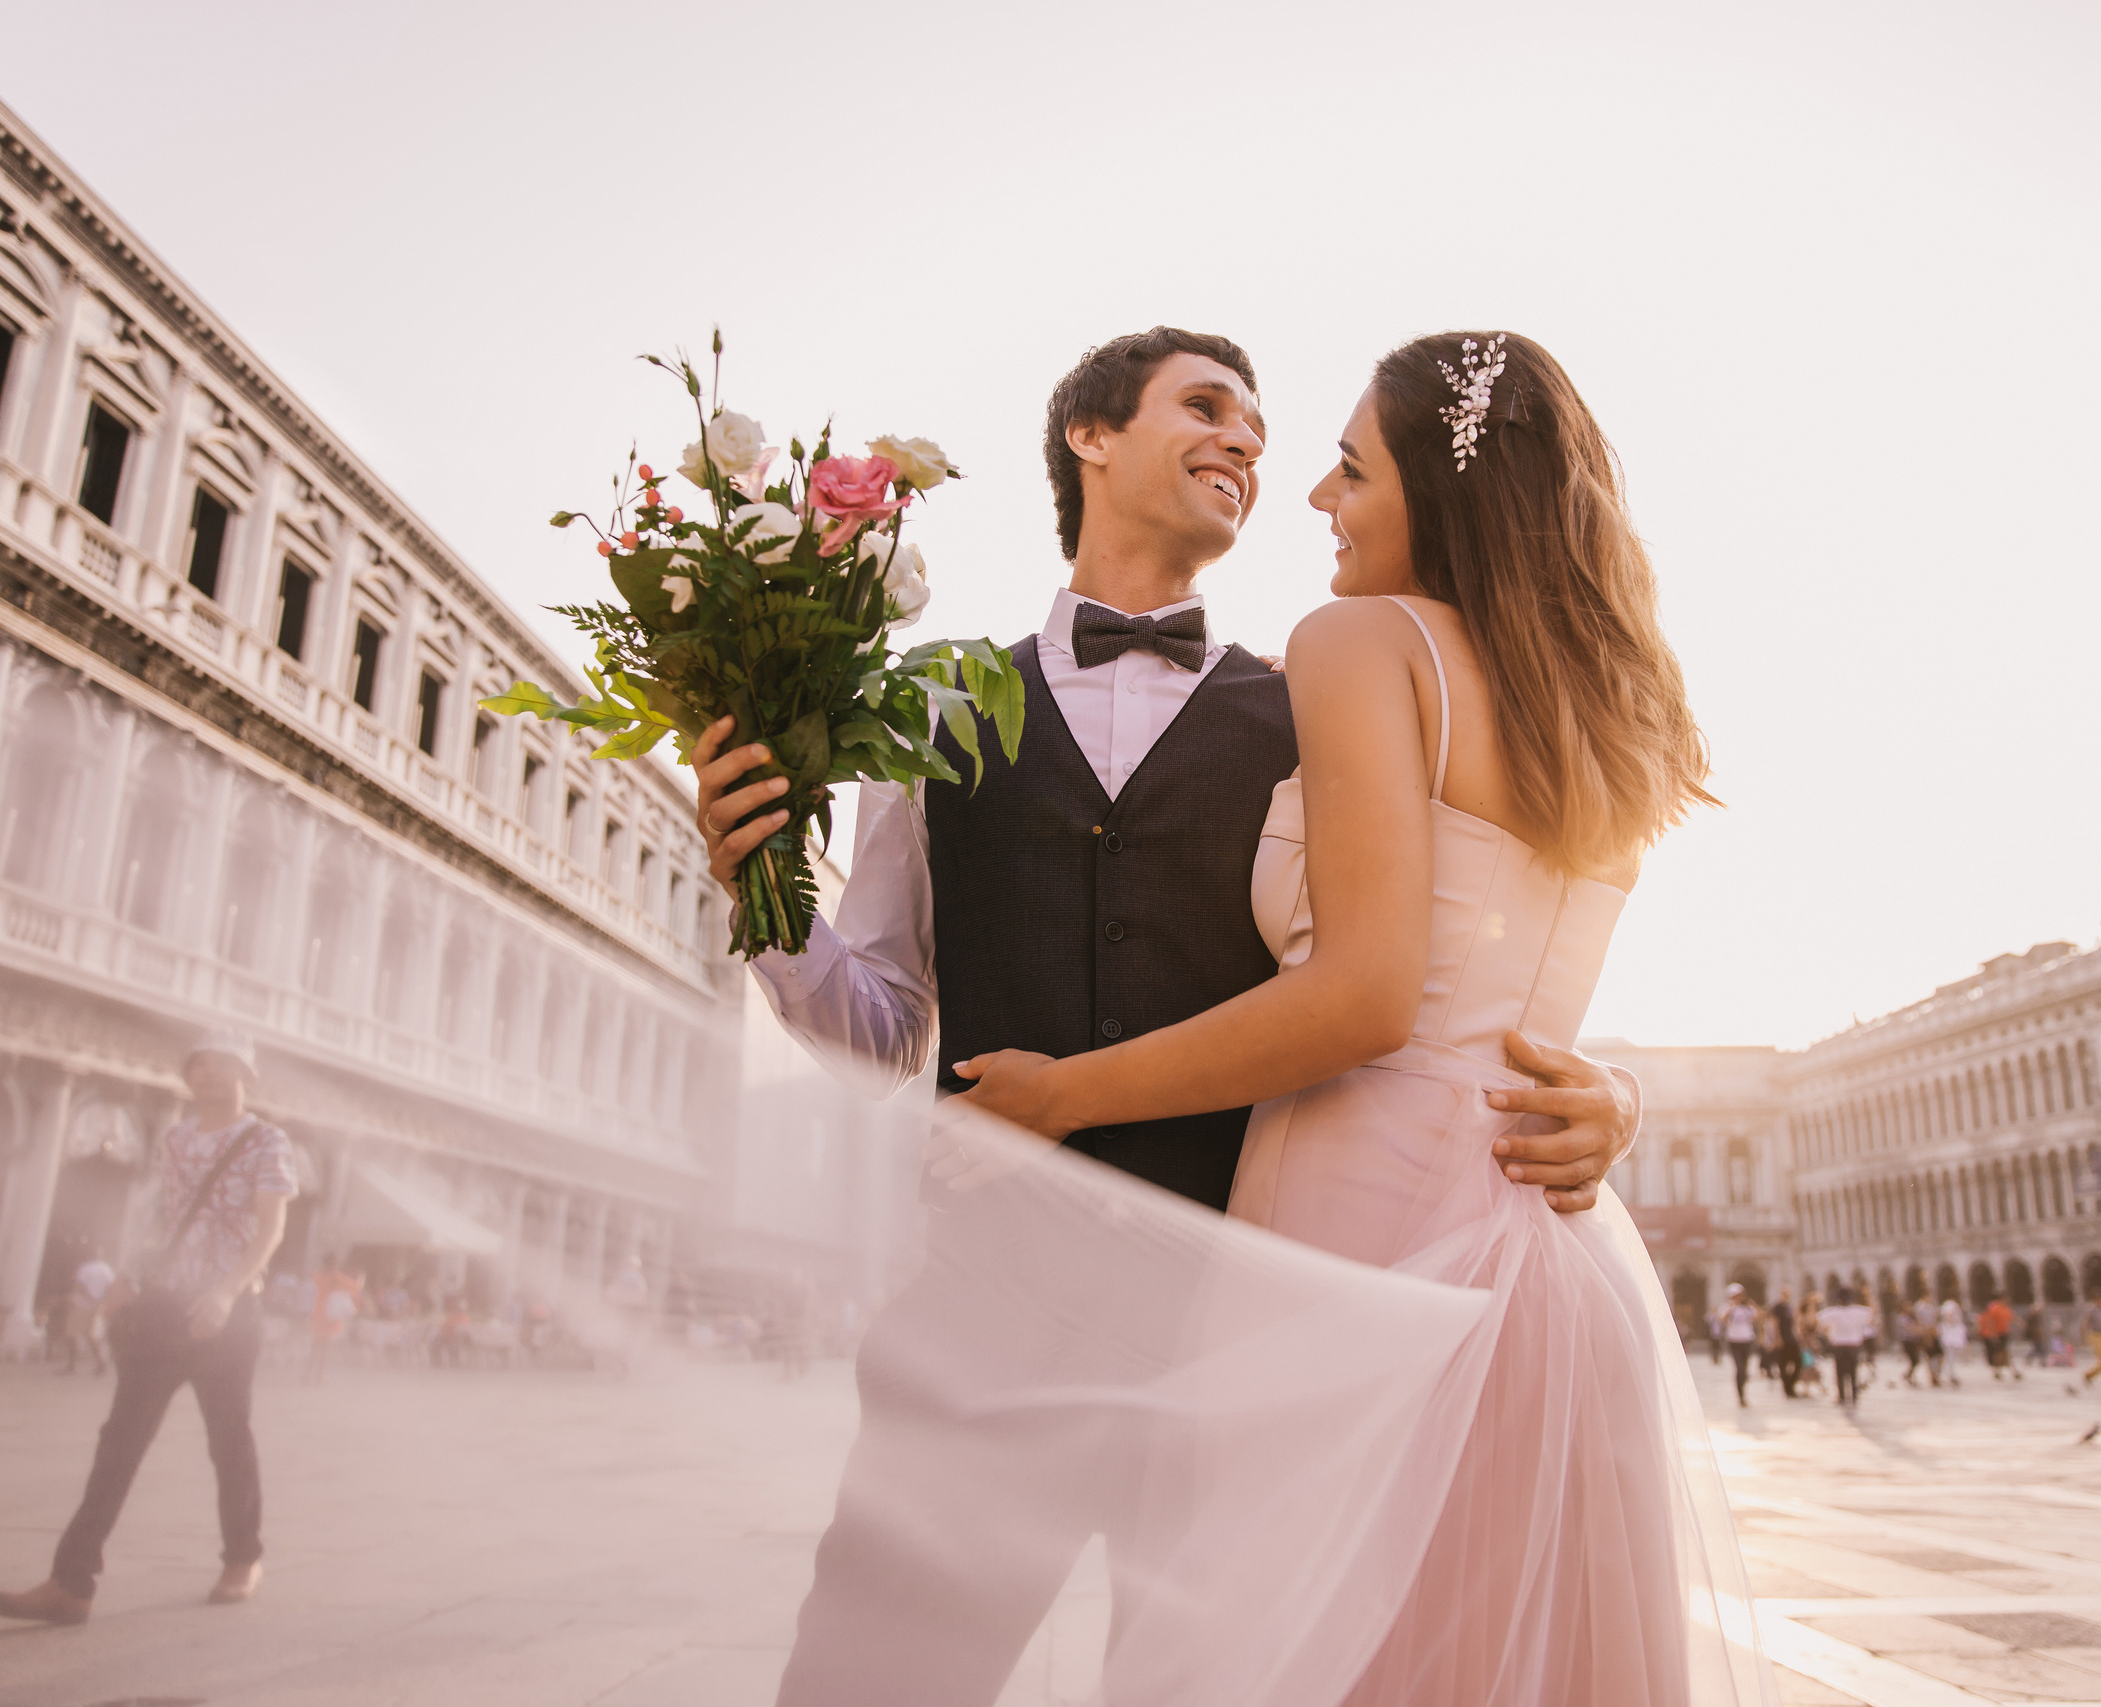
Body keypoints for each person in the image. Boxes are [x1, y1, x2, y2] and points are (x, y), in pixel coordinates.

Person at [704, 329, 1682, 1704]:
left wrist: (1612, 1090)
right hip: (987, 1320)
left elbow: (1448, 956)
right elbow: (880, 1028)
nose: (1249, 444)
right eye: (1208, 406)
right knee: (862, 1681)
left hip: (1248, 1322)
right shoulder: (926, 703)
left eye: (1272, 430)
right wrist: (763, 894)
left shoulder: (1328, 697)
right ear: (1090, 436)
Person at [957, 331, 1766, 1700]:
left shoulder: (1361, 640)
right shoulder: (1615, 703)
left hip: (1365, 1222)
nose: (1318, 499)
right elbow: (1511, 974)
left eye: (1347, 467)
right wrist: (1616, 1096)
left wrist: (1062, 1091)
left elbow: (1370, 995)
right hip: (1552, 1252)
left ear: (1438, 494)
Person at [0, 1034, 297, 1623]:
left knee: (227, 1439)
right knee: (118, 1442)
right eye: (197, 1065)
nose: (206, 1074)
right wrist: (130, 1274)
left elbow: (270, 1229)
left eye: (221, 1065)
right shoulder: (177, 1138)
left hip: (227, 1312)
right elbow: (161, 1214)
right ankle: (71, 1581)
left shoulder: (267, 1141)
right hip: (164, 1304)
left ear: (245, 1076)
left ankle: (242, 1557)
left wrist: (228, 1292)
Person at [305, 1261, 361, 1387]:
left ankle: (308, 1374)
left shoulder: (317, 1276)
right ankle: (319, 1375)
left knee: (315, 1346)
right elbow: (355, 1287)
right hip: (331, 1315)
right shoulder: (337, 1278)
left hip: (318, 1314)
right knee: (326, 1348)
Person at [60, 1250, 115, 1376]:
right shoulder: (107, 1270)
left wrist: (90, 1297)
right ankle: (101, 1363)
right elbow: (111, 1288)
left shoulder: (85, 1268)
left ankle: (72, 1365)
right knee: (91, 1335)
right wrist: (100, 1300)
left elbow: (79, 1285)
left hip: (81, 1304)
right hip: (97, 1306)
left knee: (71, 1334)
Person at [1821, 1285, 1874, 1408]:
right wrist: (1868, 1296)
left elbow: (1820, 1322)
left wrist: (1829, 1334)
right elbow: (1871, 1315)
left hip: (1839, 1345)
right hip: (1853, 1346)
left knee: (1840, 1372)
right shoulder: (1858, 1311)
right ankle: (1854, 1396)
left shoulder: (1833, 1312)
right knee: (1853, 1372)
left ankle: (1842, 1397)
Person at [1720, 1283, 1760, 1406]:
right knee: (1740, 1367)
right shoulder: (1727, 1307)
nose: (1738, 1297)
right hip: (1734, 1340)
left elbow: (1757, 1318)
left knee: (1745, 1368)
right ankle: (1741, 1396)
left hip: (1747, 1339)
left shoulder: (1748, 1308)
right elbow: (1722, 1319)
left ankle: (1743, 1390)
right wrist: (1732, 1307)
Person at [1977, 1294, 2016, 1380]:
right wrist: (1992, 1333)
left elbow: (2012, 1317)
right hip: (1998, 1333)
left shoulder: (2005, 1308)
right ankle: (2008, 1371)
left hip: (2004, 1333)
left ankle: (2002, 1371)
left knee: (2002, 1352)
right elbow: (1989, 1321)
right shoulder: (1994, 1308)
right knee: (2001, 1352)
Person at [1936, 1297, 1967, 1388]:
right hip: (1950, 1335)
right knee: (1949, 1356)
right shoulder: (1950, 1304)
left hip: (1953, 1334)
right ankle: (1948, 1374)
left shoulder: (1951, 1305)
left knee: (1951, 1356)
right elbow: (1947, 1314)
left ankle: (1948, 1374)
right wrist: (1952, 1321)